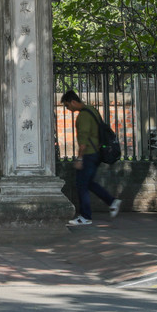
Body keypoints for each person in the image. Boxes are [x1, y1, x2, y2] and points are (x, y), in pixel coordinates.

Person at [61, 90, 122, 226]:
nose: (67, 109)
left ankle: (85, 216)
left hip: (88, 154)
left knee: (81, 185)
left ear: (73, 102)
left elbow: (83, 141)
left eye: (67, 105)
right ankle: (112, 201)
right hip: (97, 153)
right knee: (88, 183)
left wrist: (79, 158)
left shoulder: (82, 116)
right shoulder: (92, 109)